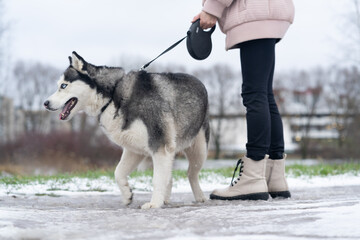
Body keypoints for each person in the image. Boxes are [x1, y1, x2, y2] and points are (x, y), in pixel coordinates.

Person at [192, 0, 295, 201]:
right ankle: (274, 176)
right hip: (269, 10)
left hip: (254, 12)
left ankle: (253, 177)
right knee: (264, 94)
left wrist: (211, 9)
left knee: (255, 94)